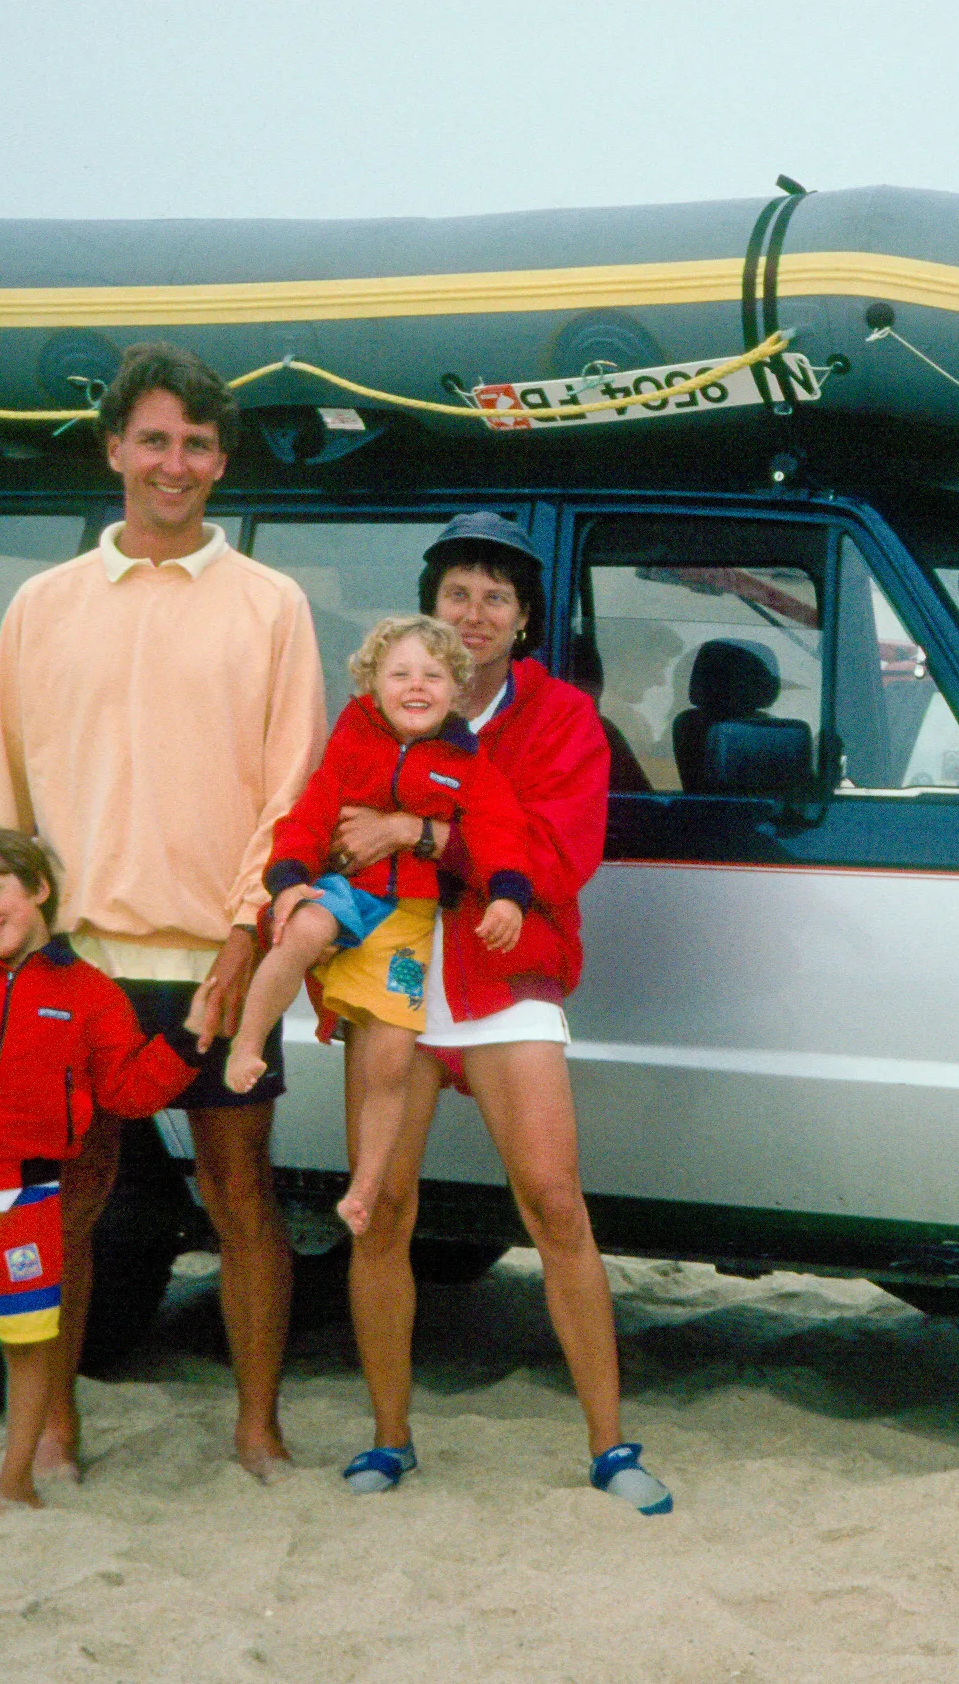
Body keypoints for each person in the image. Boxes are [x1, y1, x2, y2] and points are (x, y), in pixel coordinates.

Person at [0, 342, 325, 1482]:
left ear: (221, 461)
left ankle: (257, 1430)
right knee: (69, 1201)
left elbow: (292, 793)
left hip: (217, 959)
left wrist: (248, 935)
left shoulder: (272, 605)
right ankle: (54, 1429)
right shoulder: (42, 605)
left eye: (197, 444)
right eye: (154, 440)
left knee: (241, 1197)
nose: (174, 464)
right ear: (113, 450)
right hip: (74, 964)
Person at [328, 512, 670, 1514]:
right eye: (456, 594)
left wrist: (418, 831)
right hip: (392, 980)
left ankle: (609, 1446)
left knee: (556, 1204)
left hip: (503, 980)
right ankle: (389, 1438)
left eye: (496, 597)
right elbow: (335, 830)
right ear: (428, 607)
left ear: (524, 619)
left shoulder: (561, 717)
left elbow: (557, 860)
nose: (474, 613)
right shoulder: (376, 705)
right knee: (382, 1212)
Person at [0, 830, 202, 1514]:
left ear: (40, 888)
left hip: (24, 1203)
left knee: (28, 1348)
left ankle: (15, 1482)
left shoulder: (91, 994)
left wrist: (191, 1040)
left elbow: (128, 1092)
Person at [220, 613, 542, 1235]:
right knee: (303, 928)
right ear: (372, 684)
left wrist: (508, 898)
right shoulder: (351, 744)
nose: (416, 685)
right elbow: (309, 816)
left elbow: (500, 831)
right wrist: (287, 880)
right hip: (348, 890)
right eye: (400, 674)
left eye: (433, 676)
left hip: (408, 919)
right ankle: (249, 1045)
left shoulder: (467, 763)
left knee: (392, 1059)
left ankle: (364, 1188)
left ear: (457, 690)